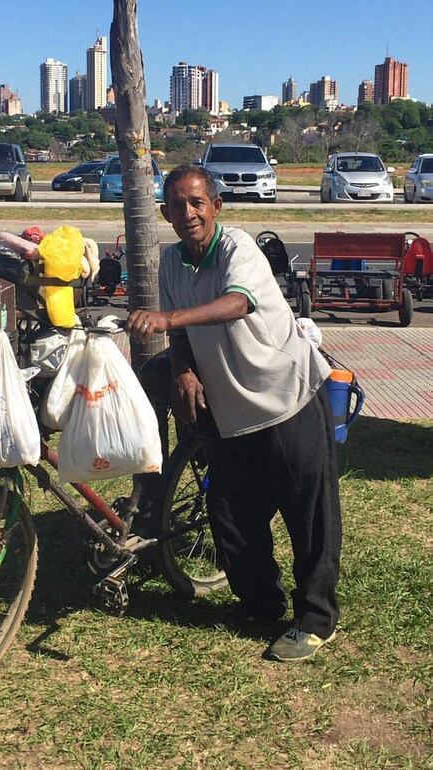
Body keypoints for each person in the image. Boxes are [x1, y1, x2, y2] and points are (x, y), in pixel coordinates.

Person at [127, 165, 341, 663]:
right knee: (232, 514)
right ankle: (260, 604)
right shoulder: (171, 261)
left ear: (216, 206)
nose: (188, 213)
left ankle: (314, 620)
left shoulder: (238, 248)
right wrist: (182, 369)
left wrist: (166, 319)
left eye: (197, 202)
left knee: (308, 515)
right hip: (228, 409)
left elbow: (237, 303)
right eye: (177, 206)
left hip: (286, 397)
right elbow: (180, 335)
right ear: (165, 214)